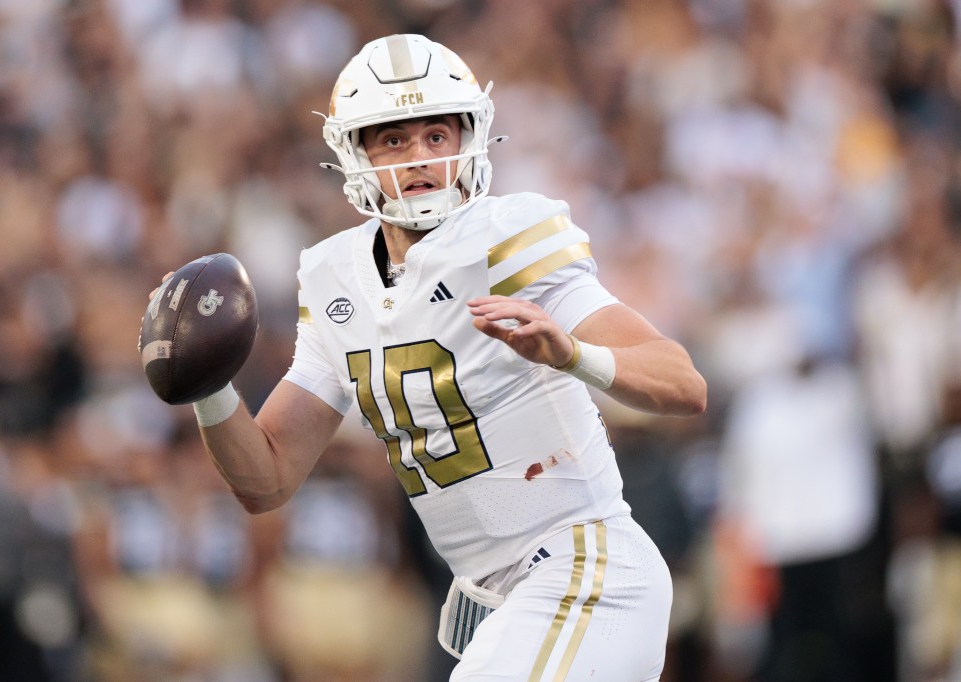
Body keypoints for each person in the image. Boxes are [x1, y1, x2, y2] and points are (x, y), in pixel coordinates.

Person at [155, 34, 707, 682]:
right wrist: (210, 387)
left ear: (467, 140)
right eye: (393, 140)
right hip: (498, 599)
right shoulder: (334, 278)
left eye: (436, 137)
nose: (419, 158)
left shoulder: (507, 239)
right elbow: (267, 479)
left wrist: (572, 353)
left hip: (582, 571)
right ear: (353, 152)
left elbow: (682, 382)